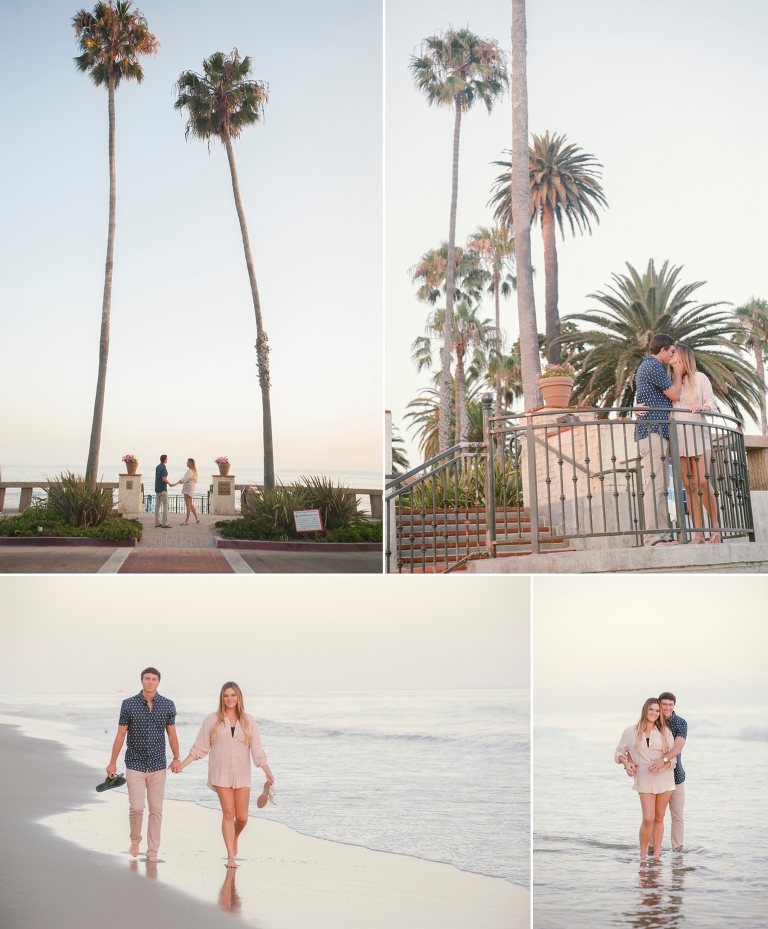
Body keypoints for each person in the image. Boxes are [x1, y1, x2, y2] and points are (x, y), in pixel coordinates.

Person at [176, 682, 275, 869]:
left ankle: (234, 837)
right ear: (221, 698)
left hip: (242, 775)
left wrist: (267, 770)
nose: (229, 699)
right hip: (220, 773)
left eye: (233, 695)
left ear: (239, 698)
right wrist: (182, 764)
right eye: (226, 695)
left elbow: (257, 749)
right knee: (229, 813)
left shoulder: (248, 721)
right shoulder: (212, 720)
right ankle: (230, 856)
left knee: (243, 817)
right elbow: (200, 747)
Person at [106, 667, 180, 863]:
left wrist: (176, 757)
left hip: (158, 765)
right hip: (135, 763)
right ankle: (135, 839)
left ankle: (153, 852)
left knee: (156, 809)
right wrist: (112, 762)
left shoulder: (167, 705)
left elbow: (171, 734)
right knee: (137, 807)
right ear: (142, 681)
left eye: (153, 679)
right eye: (147, 678)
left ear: (158, 682)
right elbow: (121, 734)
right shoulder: (128, 705)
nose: (150, 682)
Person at [634, 334, 683, 544]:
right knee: (655, 485)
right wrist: (679, 374)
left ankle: (662, 534)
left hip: (656, 431)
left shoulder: (649, 367)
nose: (673, 354)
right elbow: (674, 395)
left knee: (661, 486)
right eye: (671, 351)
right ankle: (653, 537)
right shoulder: (653, 366)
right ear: (662, 350)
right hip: (652, 430)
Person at [670, 344, 721, 543]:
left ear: (683, 356)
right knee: (688, 486)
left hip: (699, 434)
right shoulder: (671, 383)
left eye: (675, 352)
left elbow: (712, 403)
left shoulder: (700, 378)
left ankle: (716, 527)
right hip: (679, 438)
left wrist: (704, 406)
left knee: (701, 481)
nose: (671, 354)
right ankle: (698, 534)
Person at [614, 697, 676, 859]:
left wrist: (661, 765)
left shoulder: (665, 732)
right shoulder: (630, 731)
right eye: (651, 710)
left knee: (660, 817)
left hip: (665, 779)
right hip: (643, 779)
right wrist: (626, 763)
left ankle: (656, 856)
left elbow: (673, 760)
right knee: (648, 818)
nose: (654, 713)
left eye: (657, 711)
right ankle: (642, 856)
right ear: (645, 710)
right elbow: (619, 752)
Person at [648, 692, 688, 852]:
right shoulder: (652, 721)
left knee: (677, 815)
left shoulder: (680, 722)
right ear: (659, 704)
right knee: (654, 816)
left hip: (676, 776)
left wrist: (663, 760)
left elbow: (678, 747)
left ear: (674, 705)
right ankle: (651, 849)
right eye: (664, 704)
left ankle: (677, 850)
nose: (667, 708)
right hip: (656, 776)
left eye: (670, 705)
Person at [179, 458, 200, 526]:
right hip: (190, 488)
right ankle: (197, 518)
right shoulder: (192, 471)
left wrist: (177, 482)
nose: (186, 463)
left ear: (190, 463)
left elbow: (184, 479)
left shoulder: (190, 471)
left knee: (188, 505)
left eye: (187, 462)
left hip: (188, 489)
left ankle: (187, 521)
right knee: (191, 505)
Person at [154, 455, 173, 529]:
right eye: (167, 459)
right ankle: (164, 523)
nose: (167, 460)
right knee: (165, 505)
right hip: (162, 489)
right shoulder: (164, 468)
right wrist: (170, 484)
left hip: (157, 489)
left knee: (157, 506)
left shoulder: (157, 467)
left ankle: (157, 522)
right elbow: (164, 479)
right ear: (165, 460)